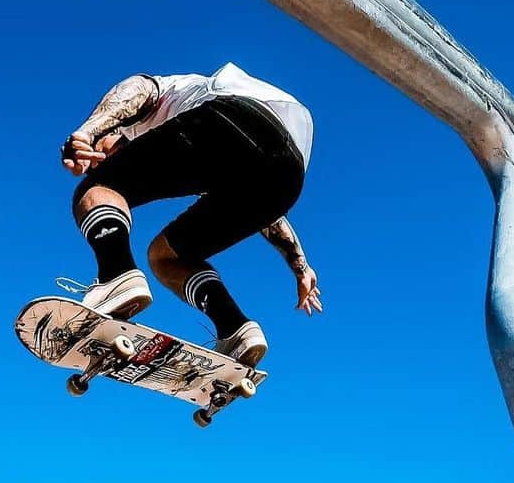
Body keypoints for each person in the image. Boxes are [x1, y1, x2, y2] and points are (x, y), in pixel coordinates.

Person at [61, 63, 321, 367]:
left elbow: (140, 86)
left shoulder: (160, 105)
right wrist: (301, 268)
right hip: (287, 175)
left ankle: (115, 275)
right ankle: (236, 330)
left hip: (229, 117)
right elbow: (269, 217)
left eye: (99, 153)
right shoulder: (200, 147)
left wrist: (89, 131)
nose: (98, 159)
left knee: (96, 189)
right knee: (167, 256)